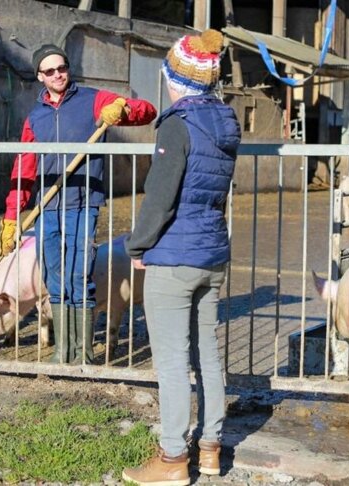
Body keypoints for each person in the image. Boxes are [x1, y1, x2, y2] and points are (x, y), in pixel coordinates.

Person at [121, 29, 241, 485]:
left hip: (174, 256)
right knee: (207, 355)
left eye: (168, 72)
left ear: (176, 77)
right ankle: (210, 450)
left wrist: (138, 245)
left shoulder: (177, 124)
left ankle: (173, 458)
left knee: (172, 361)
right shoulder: (225, 122)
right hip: (212, 253)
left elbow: (161, 197)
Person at [0, 43, 157, 365]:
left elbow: (148, 111)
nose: (58, 74)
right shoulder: (36, 118)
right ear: (39, 76)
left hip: (83, 203)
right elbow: (24, 167)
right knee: (54, 277)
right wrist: (12, 217)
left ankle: (82, 354)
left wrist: (122, 109)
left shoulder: (94, 101)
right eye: (50, 71)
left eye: (62, 68)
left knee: (78, 276)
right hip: (47, 207)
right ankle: (62, 352)